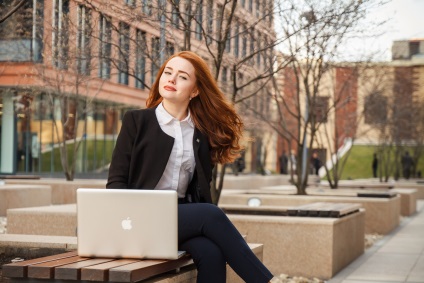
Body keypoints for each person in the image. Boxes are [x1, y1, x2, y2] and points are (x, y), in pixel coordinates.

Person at [107, 51, 279, 283]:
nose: (171, 79)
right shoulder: (137, 121)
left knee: (212, 253)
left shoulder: (200, 134)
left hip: (178, 220)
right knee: (211, 214)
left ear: (195, 90)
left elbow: (200, 189)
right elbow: (116, 182)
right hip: (139, 219)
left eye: (182, 76)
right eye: (168, 72)